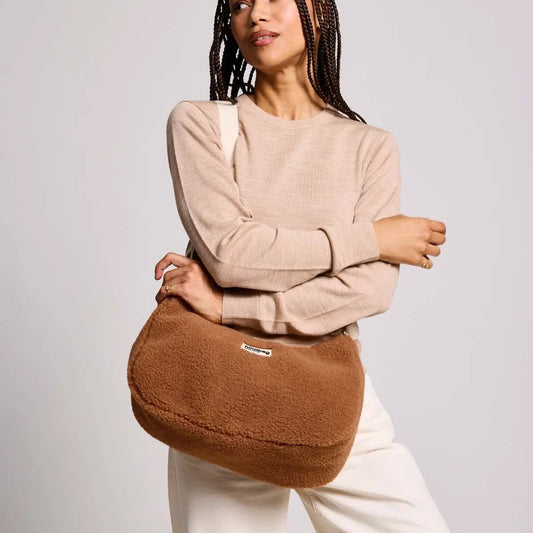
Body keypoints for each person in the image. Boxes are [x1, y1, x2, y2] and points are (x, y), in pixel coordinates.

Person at [154, 0, 450, 531]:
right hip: (220, 387)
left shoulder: (369, 148)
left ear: (318, 10)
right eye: (240, 4)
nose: (255, 15)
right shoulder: (201, 124)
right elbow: (230, 254)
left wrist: (228, 307)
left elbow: (367, 290)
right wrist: (372, 238)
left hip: (329, 388)